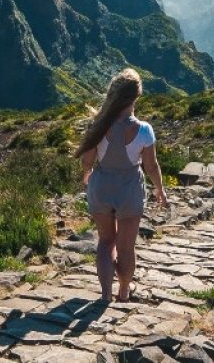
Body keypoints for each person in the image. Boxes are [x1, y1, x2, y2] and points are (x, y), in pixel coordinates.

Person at [76, 68, 168, 303]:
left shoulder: (98, 124)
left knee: (106, 242)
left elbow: (87, 159)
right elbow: (152, 166)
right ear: (137, 97)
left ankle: (105, 294)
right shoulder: (145, 130)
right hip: (130, 190)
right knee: (126, 246)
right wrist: (160, 189)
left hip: (101, 187)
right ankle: (124, 291)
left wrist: (87, 174)